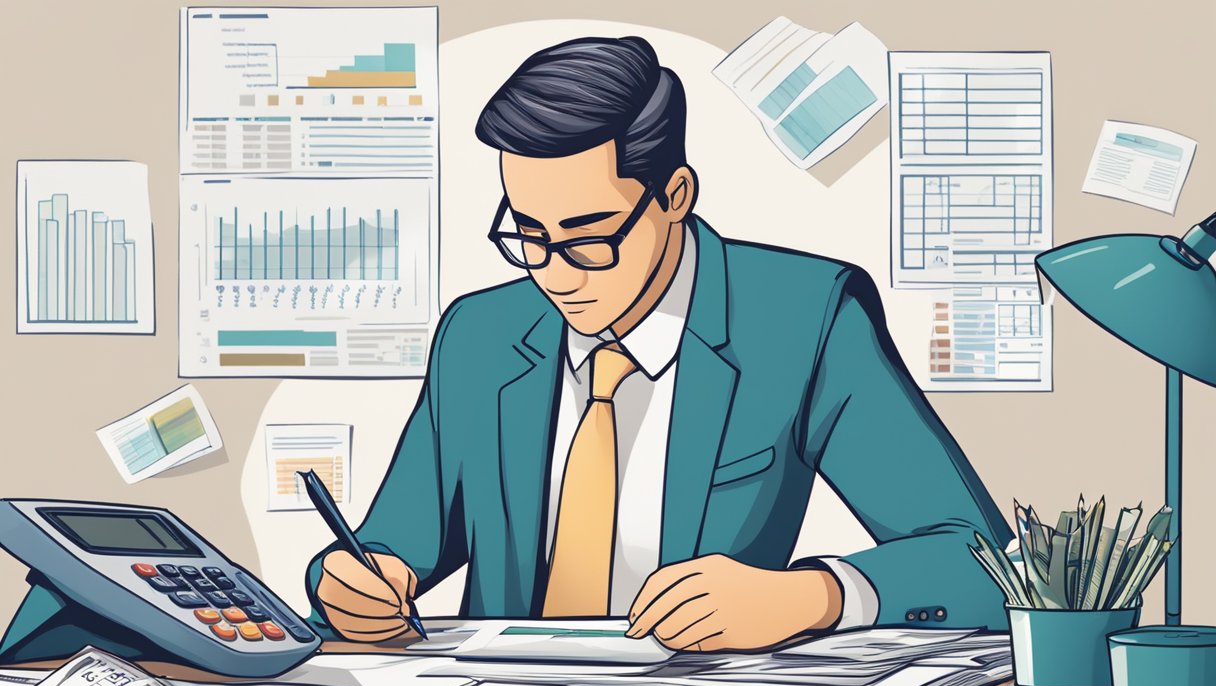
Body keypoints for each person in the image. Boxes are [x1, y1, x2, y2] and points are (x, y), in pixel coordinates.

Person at [305, 36, 1013, 652]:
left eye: (588, 239)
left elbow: (983, 562)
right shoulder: (481, 336)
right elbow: (389, 547)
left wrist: (812, 597)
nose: (554, 276)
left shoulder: (804, 318)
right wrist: (353, 584)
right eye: (527, 235)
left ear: (674, 195)